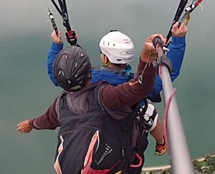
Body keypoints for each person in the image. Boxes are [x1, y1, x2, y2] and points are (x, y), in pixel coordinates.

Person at [17, 33, 163, 174]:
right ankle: (162, 144)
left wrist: (30, 124)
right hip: (117, 167)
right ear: (89, 73)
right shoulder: (104, 96)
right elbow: (138, 89)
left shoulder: (60, 105)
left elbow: (46, 120)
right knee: (148, 111)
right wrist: (147, 59)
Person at [46, 22, 188, 156]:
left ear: (105, 59)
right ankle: (161, 144)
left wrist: (57, 45)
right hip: (124, 138)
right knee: (149, 110)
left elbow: (56, 76)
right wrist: (178, 40)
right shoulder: (137, 86)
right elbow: (168, 73)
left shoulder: (88, 79)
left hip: (93, 130)